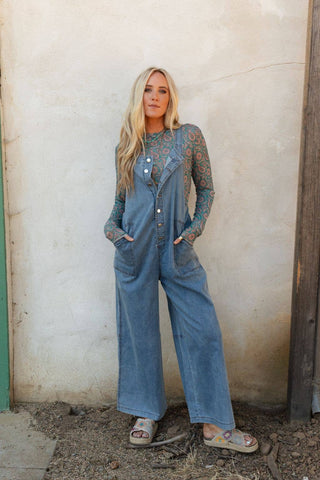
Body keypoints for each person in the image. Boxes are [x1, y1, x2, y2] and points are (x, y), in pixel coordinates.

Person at [104, 67, 258, 453]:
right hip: (135, 251)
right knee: (139, 333)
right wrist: (113, 232)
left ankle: (215, 426)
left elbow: (206, 189)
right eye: (148, 90)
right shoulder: (128, 145)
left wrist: (193, 230)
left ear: (170, 98)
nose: (155, 97)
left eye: (163, 91)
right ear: (139, 96)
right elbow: (119, 206)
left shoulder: (188, 137)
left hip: (177, 249)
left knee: (202, 330)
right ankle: (145, 412)